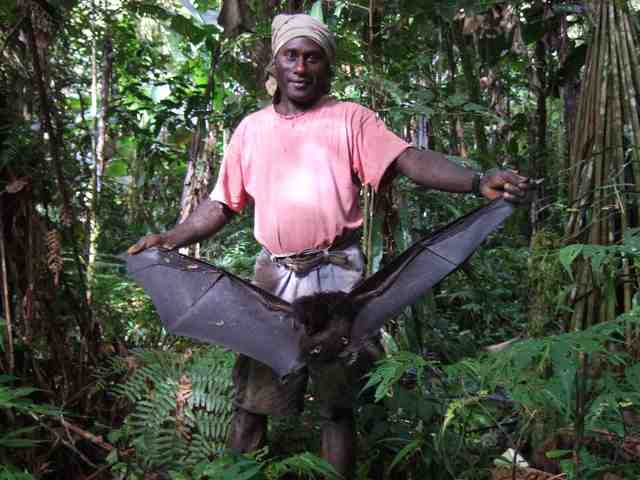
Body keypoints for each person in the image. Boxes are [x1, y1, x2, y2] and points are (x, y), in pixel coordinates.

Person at [128, 13, 530, 478]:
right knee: (252, 400)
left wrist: (477, 181)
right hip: (273, 279)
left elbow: (407, 160)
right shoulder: (251, 130)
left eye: (312, 57)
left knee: (338, 404)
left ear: (326, 66)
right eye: (291, 56)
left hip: (337, 276)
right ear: (274, 65)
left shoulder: (350, 119)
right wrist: (171, 238)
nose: (301, 67)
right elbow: (221, 203)